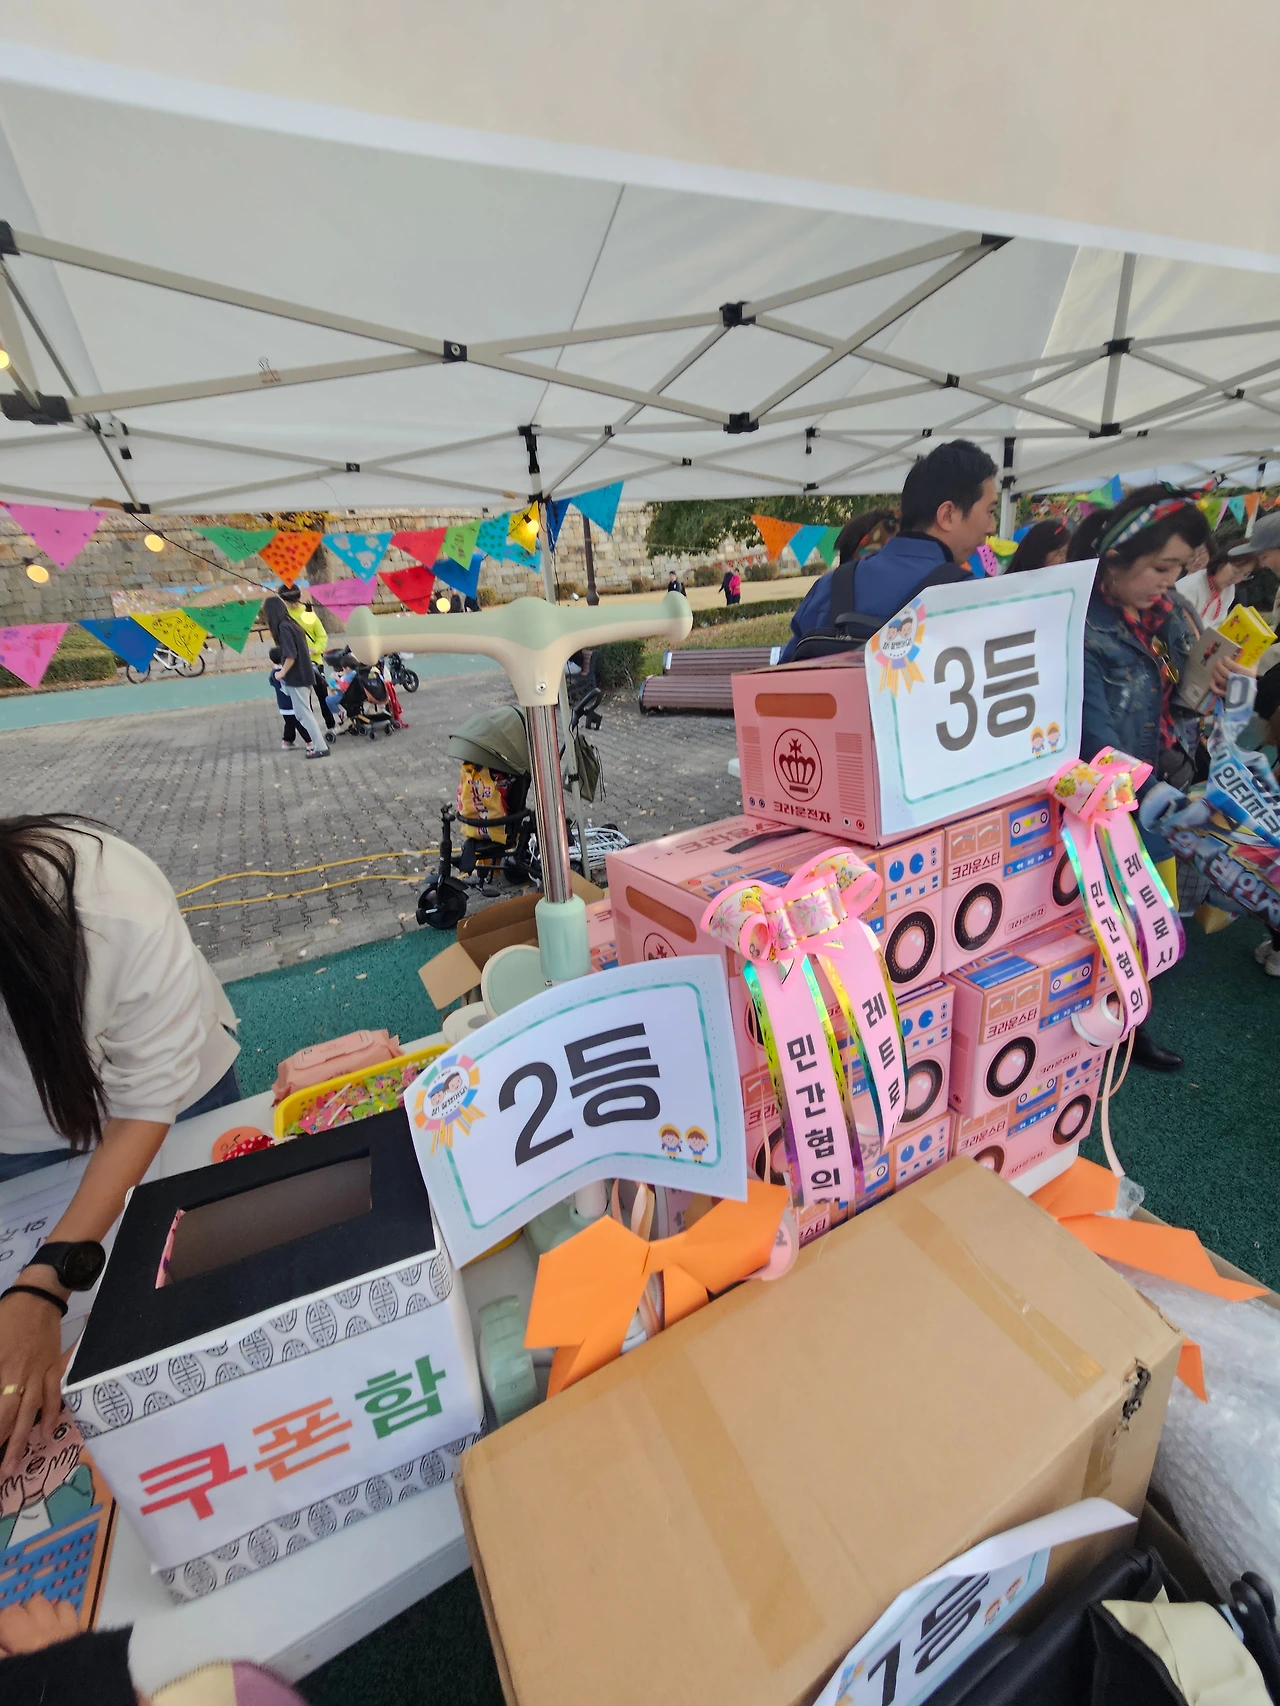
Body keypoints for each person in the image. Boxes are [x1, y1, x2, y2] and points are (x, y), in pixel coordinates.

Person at [0, 816, 241, 1472]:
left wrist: (45, 1282)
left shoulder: (111, 904)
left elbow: (143, 1107)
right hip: (20, 1150)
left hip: (174, 1098)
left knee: (196, 1281)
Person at [1074, 488, 1240, 1072]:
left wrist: (1205, 687)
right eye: (1161, 567)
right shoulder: (1077, 622)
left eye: (1178, 569)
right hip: (1097, 805)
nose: (1169, 582)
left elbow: (1171, 709)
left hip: (1148, 793)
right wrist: (1159, 797)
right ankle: (1097, 1031)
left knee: (1143, 921)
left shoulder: (1163, 617)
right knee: (1097, 922)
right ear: (1117, 555)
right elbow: (1096, 742)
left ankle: (1129, 1021)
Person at [780, 439, 997, 660]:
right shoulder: (969, 598)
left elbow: (781, 676)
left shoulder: (829, 587)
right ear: (947, 515)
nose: (992, 527)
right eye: (989, 511)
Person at [262, 595, 329, 759]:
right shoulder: (292, 624)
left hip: (297, 676)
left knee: (304, 714)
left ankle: (320, 746)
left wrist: (281, 673)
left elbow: (290, 655)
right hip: (304, 673)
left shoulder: (284, 628)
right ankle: (319, 745)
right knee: (303, 713)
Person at [280, 586, 335, 733]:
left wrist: (315, 649)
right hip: (298, 666)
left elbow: (321, 636)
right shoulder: (284, 616)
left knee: (323, 696)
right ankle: (310, 731)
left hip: (315, 663)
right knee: (304, 702)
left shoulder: (308, 613)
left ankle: (331, 725)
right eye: (290, 601)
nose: (294, 604)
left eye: (296, 600)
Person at [1176, 548, 1256, 626]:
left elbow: (1218, 624)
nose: (1237, 579)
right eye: (1236, 572)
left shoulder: (1229, 590)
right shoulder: (1190, 586)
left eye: (1245, 575)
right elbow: (1181, 623)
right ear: (1221, 563)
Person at [267, 645, 301, 747]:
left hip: (282, 704)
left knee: (289, 722)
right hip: (291, 702)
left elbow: (272, 683)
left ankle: (287, 740)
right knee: (298, 723)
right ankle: (310, 742)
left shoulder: (273, 672)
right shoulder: (285, 672)